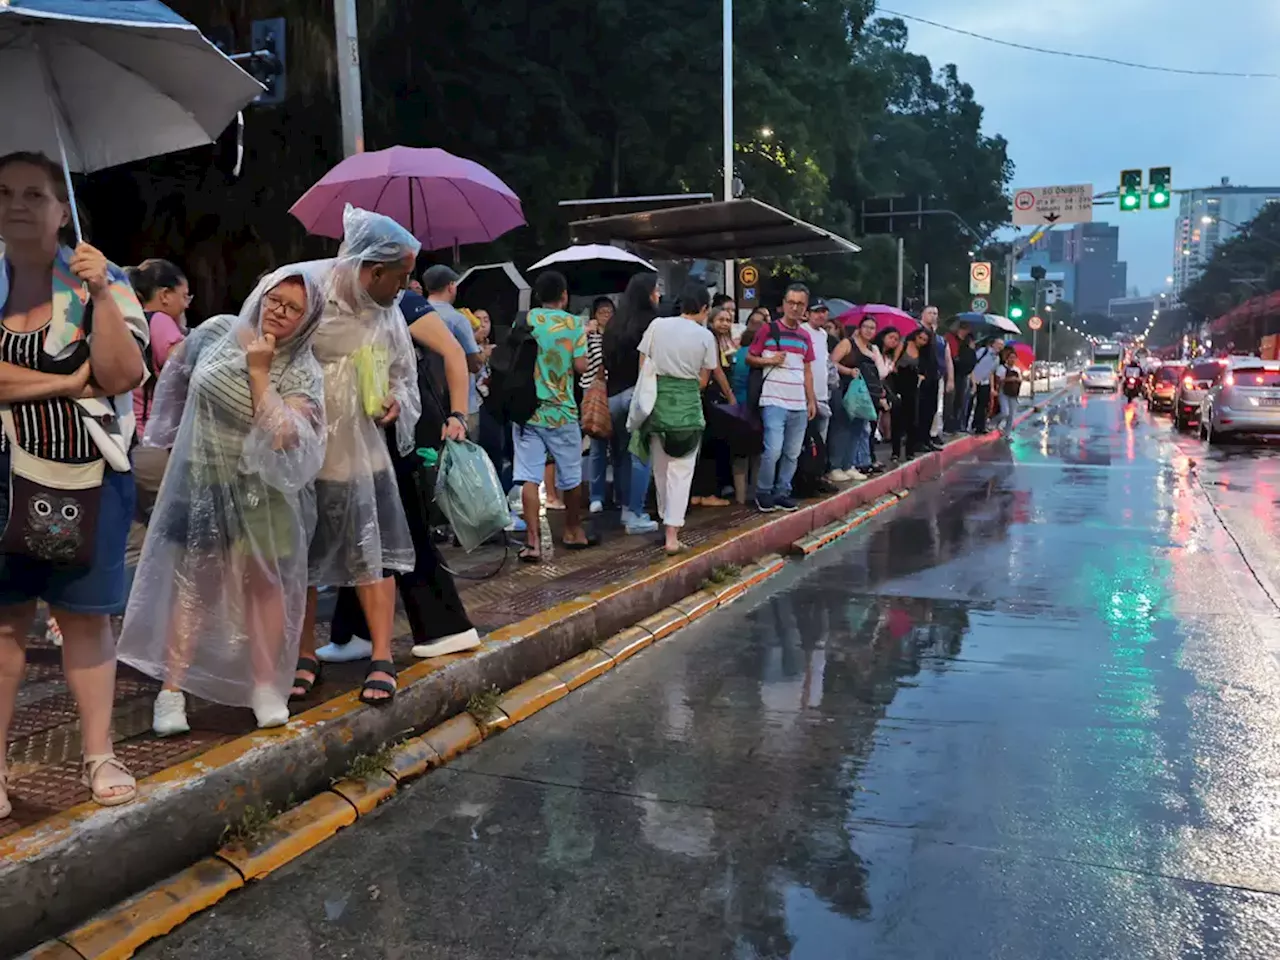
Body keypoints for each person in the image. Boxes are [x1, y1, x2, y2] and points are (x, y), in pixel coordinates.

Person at [0, 151, 150, 813]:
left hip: (85, 478)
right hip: (3, 478)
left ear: (63, 209)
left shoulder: (101, 275)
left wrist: (97, 296)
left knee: (85, 621)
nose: (18, 206)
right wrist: (64, 381)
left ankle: (98, 754)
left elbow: (121, 376)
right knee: (4, 626)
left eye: (36, 194)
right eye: (4, 193)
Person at [121, 268, 327, 734]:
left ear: (307, 319)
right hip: (203, 476)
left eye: (294, 308)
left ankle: (264, 685)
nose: (279, 311)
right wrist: (166, 440)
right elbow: (174, 379)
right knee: (196, 582)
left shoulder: (301, 367)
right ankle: (171, 691)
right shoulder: (216, 330)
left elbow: (282, 436)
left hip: (263, 489)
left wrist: (259, 372)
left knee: (264, 585)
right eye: (276, 299)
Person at [292, 206, 427, 707]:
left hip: (360, 456)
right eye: (401, 277)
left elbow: (403, 377)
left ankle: (383, 657)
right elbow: (265, 351)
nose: (404, 288)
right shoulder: (307, 290)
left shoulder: (387, 314)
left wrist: (398, 403)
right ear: (374, 271)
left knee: (371, 556)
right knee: (299, 560)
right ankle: (302, 654)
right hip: (303, 453)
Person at [318, 257, 479, 667]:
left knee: (404, 526)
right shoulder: (347, 307)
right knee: (362, 527)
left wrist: (459, 415)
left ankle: (447, 627)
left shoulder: (402, 304)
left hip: (404, 429)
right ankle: (351, 630)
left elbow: (454, 353)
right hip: (360, 436)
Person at [630, 284, 728, 555]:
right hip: (688, 410)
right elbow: (704, 378)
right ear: (705, 309)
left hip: (657, 406)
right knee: (681, 473)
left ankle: (665, 524)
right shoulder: (705, 336)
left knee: (660, 469)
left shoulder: (657, 325)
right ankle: (673, 534)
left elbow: (643, 365)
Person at [515, 270, 595, 562]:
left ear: (537, 296)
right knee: (571, 473)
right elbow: (581, 366)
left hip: (527, 409)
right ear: (564, 295)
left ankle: (533, 542)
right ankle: (573, 530)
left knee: (528, 476)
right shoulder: (574, 324)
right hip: (561, 410)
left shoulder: (525, 318)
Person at [126, 259, 190, 526]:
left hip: (127, 441)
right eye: (185, 296)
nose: (187, 304)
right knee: (173, 528)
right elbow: (187, 370)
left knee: (137, 533)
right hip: (150, 443)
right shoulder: (161, 322)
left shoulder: (129, 319)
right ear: (165, 295)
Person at [601, 273, 661, 534]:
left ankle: (626, 508)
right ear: (646, 294)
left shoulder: (614, 322)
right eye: (655, 290)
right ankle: (635, 513)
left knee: (622, 456)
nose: (658, 295)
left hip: (612, 397)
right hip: (637, 396)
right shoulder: (652, 322)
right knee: (641, 456)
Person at [748, 283, 816, 512]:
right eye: (791, 302)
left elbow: (807, 370)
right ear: (784, 304)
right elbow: (749, 357)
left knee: (792, 452)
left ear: (805, 307)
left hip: (798, 402)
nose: (795, 307)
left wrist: (811, 400)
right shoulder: (768, 330)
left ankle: (782, 491)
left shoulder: (806, 336)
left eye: (800, 304)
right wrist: (770, 360)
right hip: (773, 400)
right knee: (773, 449)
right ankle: (763, 492)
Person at [829, 315, 884, 482]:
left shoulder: (872, 349)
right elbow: (831, 363)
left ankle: (849, 464)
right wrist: (848, 371)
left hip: (864, 395)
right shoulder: (847, 343)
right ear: (859, 328)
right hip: (845, 390)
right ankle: (835, 466)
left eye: (872, 328)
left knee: (857, 430)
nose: (869, 330)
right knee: (842, 429)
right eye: (866, 327)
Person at [584, 296, 617, 514]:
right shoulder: (588, 335)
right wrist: (588, 331)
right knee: (597, 446)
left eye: (609, 311)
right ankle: (596, 495)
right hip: (594, 394)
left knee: (618, 447)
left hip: (614, 391)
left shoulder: (619, 336)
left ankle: (617, 494)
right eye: (602, 311)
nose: (606, 315)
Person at [891, 328, 930, 462]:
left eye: (925, 340)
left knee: (913, 420)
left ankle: (910, 451)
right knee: (897, 419)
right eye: (921, 338)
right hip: (899, 383)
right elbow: (894, 364)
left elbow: (924, 369)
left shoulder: (923, 352)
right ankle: (895, 452)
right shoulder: (905, 344)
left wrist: (921, 376)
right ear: (915, 336)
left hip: (913, 386)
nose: (922, 342)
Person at [917, 306, 951, 449]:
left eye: (935, 313)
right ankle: (918, 440)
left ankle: (928, 438)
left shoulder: (939, 338)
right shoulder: (917, 333)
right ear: (922, 315)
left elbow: (947, 358)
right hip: (921, 376)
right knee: (920, 409)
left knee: (933, 408)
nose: (933, 316)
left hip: (936, 376)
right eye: (930, 313)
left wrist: (950, 379)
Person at [805, 299, 834, 444]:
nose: (820, 315)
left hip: (823, 394)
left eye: (823, 311)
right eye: (816, 311)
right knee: (806, 440)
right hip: (806, 396)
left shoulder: (823, 334)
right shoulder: (802, 331)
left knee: (820, 441)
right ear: (808, 314)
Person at [945, 321, 977, 434]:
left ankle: (956, 424)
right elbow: (952, 356)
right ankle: (949, 425)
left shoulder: (967, 341)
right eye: (965, 329)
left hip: (963, 373)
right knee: (951, 400)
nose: (966, 331)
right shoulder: (951, 338)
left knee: (960, 400)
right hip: (953, 371)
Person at [969, 336, 1004, 434]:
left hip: (985, 382)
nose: (1000, 347)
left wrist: (992, 388)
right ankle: (965, 425)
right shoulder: (983, 351)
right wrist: (973, 379)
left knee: (983, 404)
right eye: (999, 344)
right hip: (974, 380)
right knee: (969, 403)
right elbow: (972, 363)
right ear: (993, 344)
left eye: (1002, 345)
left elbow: (991, 373)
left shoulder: (997, 358)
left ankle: (979, 426)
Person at [995, 346, 1022, 433]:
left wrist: (1017, 381)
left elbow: (1020, 380)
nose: (1012, 360)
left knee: (1011, 415)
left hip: (1014, 394)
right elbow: (997, 380)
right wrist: (1008, 380)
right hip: (1004, 392)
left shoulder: (1017, 370)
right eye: (1011, 358)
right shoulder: (1001, 368)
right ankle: (993, 423)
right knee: (1005, 412)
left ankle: (1007, 433)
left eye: (1014, 358)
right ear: (1007, 359)